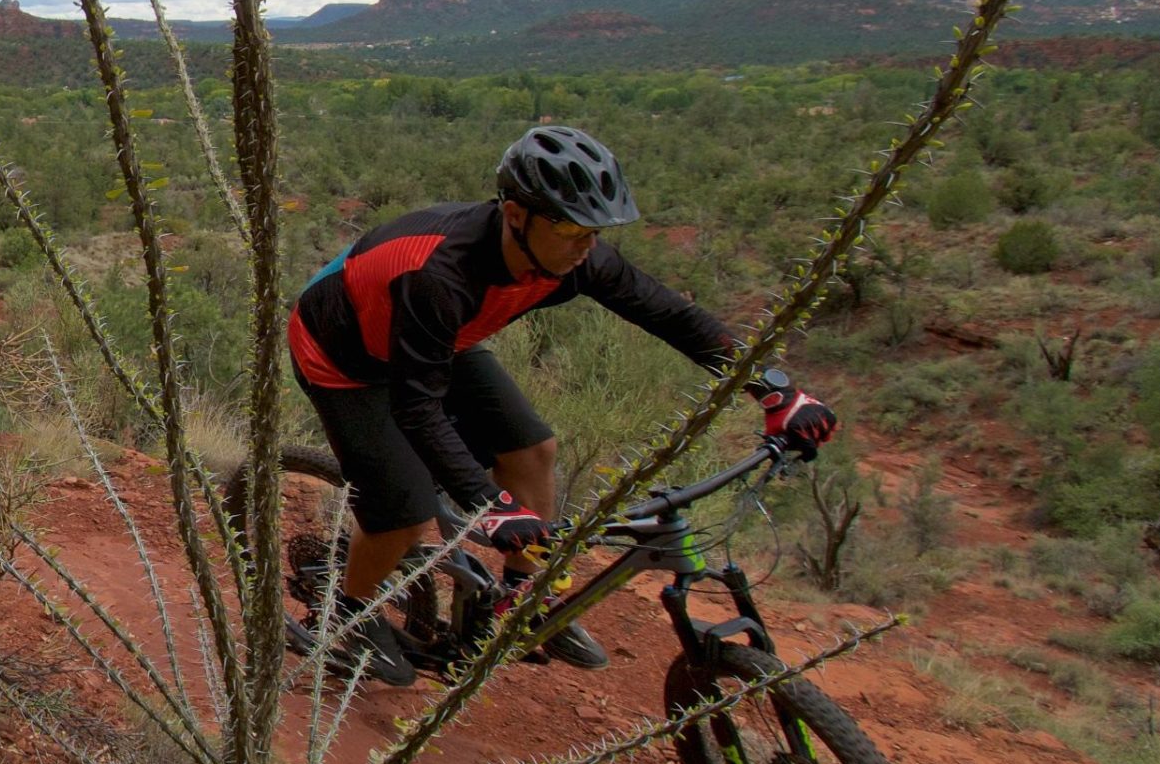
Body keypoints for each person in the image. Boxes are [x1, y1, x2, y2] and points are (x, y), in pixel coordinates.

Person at [287, 124, 836, 686]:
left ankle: (518, 596)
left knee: (533, 448)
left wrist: (775, 391)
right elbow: (416, 406)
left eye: (596, 229)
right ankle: (349, 614)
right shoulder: (440, 273)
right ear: (517, 215)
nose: (587, 244)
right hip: (341, 356)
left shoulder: (574, 259)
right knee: (403, 508)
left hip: (431, 341)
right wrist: (487, 504)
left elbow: (671, 316)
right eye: (572, 226)